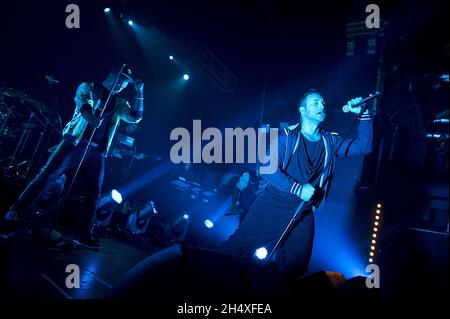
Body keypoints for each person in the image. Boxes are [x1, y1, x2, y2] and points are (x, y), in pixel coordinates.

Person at [218, 89, 372, 283]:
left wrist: (363, 113)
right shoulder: (285, 138)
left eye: (323, 103)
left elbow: (364, 146)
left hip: (303, 213)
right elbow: (267, 169)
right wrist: (298, 189)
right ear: (302, 109)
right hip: (271, 207)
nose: (322, 106)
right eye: (315, 103)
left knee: (297, 263)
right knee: (233, 250)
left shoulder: (330, 141)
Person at [0, 65, 144, 248]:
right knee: (46, 177)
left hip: (97, 151)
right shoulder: (89, 87)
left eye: (125, 84)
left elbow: (136, 117)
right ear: (110, 74)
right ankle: (13, 215)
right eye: (120, 79)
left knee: (93, 193)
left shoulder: (120, 103)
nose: (122, 85)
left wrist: (140, 93)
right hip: (75, 142)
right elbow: (84, 105)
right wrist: (91, 116)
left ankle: (84, 234)